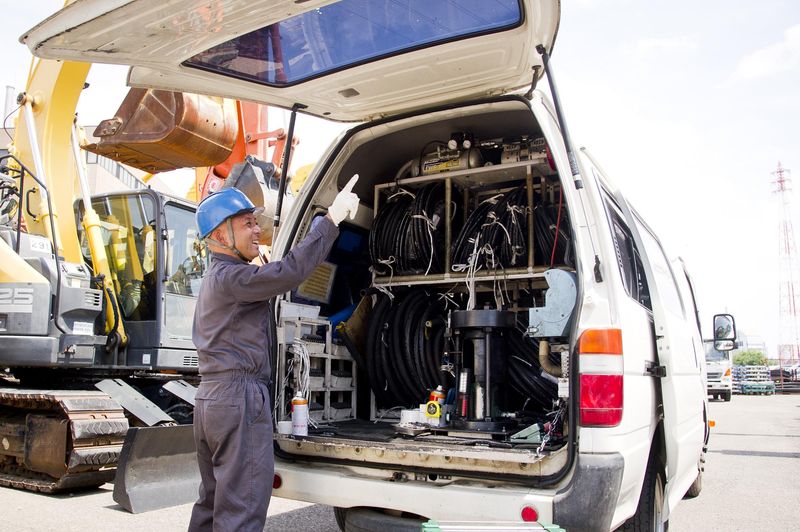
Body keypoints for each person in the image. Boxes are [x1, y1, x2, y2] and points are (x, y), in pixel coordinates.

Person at [188, 175, 360, 532]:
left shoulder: (218, 279)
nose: (257, 230)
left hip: (211, 399)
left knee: (213, 502)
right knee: (241, 507)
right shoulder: (234, 279)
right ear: (220, 236)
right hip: (238, 398)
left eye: (256, 222)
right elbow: (290, 271)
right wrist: (329, 221)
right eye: (246, 224)